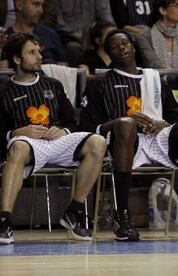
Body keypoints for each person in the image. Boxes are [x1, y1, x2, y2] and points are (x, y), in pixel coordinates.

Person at [79, 29, 178, 241]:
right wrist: (119, 121)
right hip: (124, 141)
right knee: (125, 125)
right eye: (115, 46)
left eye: (125, 43)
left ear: (133, 46)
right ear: (108, 55)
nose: (122, 47)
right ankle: (122, 215)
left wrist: (163, 124)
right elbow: (86, 128)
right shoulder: (98, 83)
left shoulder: (156, 79)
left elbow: (175, 118)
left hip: (158, 138)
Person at [0, 33, 107, 245]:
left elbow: (71, 121)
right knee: (18, 147)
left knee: (98, 141)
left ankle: (74, 211)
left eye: (39, 51)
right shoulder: (3, 90)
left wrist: (63, 131)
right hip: (27, 143)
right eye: (32, 52)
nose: (39, 56)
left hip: (57, 140)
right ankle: (5, 220)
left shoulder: (53, 84)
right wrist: (17, 132)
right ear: (17, 59)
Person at [0, 0, 67, 67]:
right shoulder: (5, 39)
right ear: (19, 5)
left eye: (42, 5)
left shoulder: (51, 34)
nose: (41, 10)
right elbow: (4, 74)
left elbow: (64, 70)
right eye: (36, 4)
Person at [55, 0, 114, 67]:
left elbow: (106, 15)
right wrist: (79, 37)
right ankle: (78, 75)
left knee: (109, 40)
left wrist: (114, 33)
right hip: (68, 35)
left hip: (91, 32)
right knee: (73, 47)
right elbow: (59, 22)